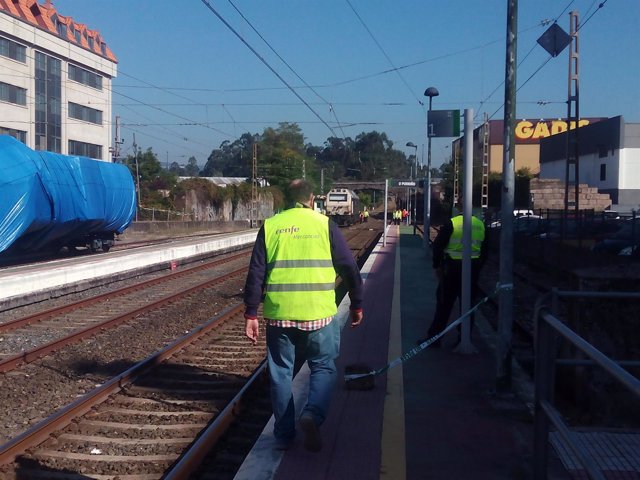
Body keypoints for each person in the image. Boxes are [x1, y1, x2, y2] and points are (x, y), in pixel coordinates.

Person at [243, 179, 364, 452]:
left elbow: (255, 274)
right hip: (318, 314)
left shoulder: (271, 226)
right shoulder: (325, 225)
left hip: (279, 315)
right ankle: (312, 414)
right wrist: (356, 303)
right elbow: (349, 268)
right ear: (312, 199)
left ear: (286, 198)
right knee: (322, 366)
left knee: (280, 373)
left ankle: (284, 434)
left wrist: (251, 312)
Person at [418, 200, 487, 347]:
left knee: (444, 303)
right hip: (472, 269)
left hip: (452, 269)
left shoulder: (452, 223)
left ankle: (435, 338)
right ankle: (464, 338)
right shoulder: (480, 224)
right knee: (468, 305)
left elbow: (437, 246)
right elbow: (485, 250)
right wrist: (478, 266)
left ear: (459, 207)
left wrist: (436, 266)